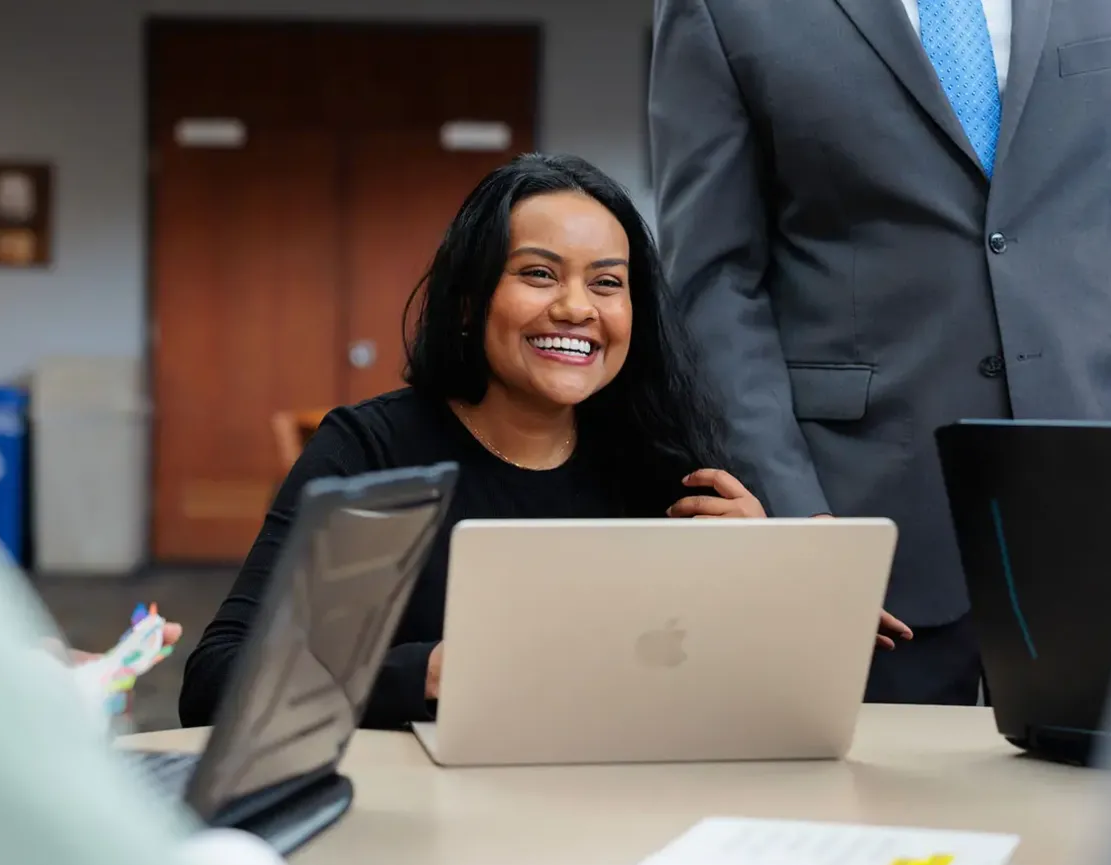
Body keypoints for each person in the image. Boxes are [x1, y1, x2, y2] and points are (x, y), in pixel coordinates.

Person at [179, 153, 911, 731]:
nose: (575, 308)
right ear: (468, 303)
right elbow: (217, 680)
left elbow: (726, 699)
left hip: (618, 809)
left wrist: (772, 590)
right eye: (537, 274)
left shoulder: (668, 469)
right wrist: (430, 672)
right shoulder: (371, 451)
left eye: (607, 283)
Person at [649, 0, 1111, 706]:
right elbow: (713, 282)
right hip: (858, 522)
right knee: (871, 808)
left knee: (1102, 806)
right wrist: (798, 524)